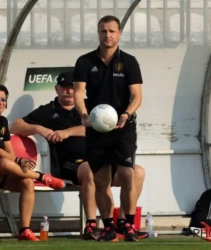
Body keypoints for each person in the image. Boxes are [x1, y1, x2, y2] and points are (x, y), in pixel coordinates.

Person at [10, 72, 146, 241]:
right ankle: (91, 224)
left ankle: (124, 223)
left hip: (100, 158)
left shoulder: (92, 108)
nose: (68, 91)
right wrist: (39, 129)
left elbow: (104, 126)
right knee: (91, 170)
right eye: (64, 87)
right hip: (68, 164)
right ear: (56, 89)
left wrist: (68, 132)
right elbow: (15, 126)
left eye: (72, 88)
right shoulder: (48, 110)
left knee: (137, 172)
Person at [72, 15, 143, 242]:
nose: (108, 35)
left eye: (112, 31)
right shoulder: (85, 61)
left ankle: (129, 225)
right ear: (98, 33)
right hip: (97, 128)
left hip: (123, 126)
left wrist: (126, 114)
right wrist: (84, 115)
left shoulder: (129, 61)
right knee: (101, 180)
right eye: (103, 31)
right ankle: (108, 226)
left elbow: (137, 96)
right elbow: (77, 93)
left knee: (127, 175)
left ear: (119, 33)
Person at [0, 85, 66, 241]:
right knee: (4, 162)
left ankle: (24, 230)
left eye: (3, 100)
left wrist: (20, 164)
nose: (0, 103)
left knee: (26, 182)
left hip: (3, 174)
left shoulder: (3, 121)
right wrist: (19, 160)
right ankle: (40, 176)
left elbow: (9, 149)